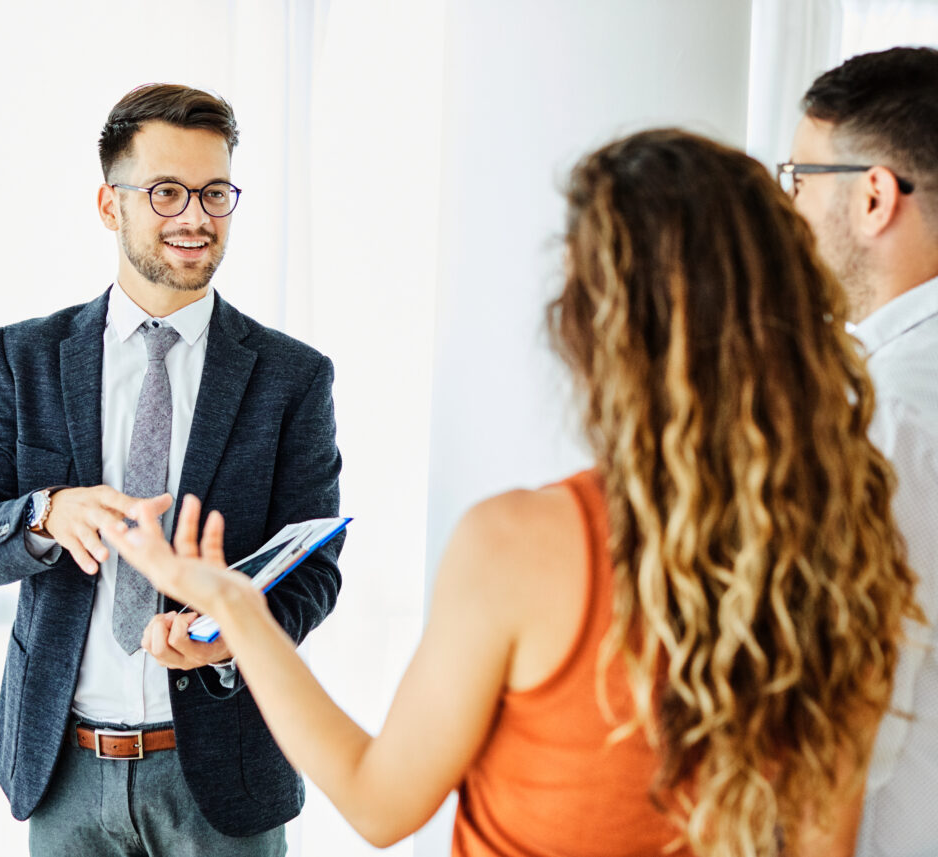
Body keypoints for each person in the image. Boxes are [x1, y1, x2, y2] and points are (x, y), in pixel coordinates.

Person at [106, 129, 918, 857]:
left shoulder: (523, 544)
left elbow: (380, 803)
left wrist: (235, 607)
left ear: (600, 328)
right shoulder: (853, 559)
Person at [0, 83, 343, 857]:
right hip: (63, 771)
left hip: (224, 775)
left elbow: (314, 571)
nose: (195, 216)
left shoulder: (293, 377)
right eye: (166, 191)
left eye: (215, 192)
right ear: (108, 203)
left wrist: (230, 637)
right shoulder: (25, 359)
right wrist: (45, 514)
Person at [782, 47, 938, 857]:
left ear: (874, 196)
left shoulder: (882, 417)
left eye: (800, 181)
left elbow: (836, 745)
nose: (790, 209)